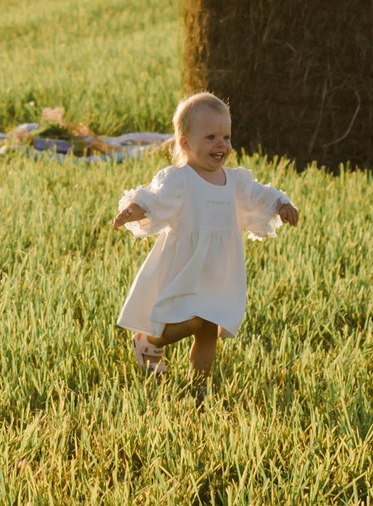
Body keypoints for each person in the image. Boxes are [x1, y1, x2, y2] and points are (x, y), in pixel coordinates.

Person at [114, 93, 299, 380]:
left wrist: (281, 204)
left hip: (218, 272)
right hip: (186, 267)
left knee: (209, 329)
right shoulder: (180, 179)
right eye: (211, 136)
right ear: (186, 143)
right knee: (190, 321)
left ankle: (200, 385)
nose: (221, 144)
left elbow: (259, 194)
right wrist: (133, 210)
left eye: (226, 136)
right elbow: (155, 199)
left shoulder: (235, 181)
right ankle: (149, 341)